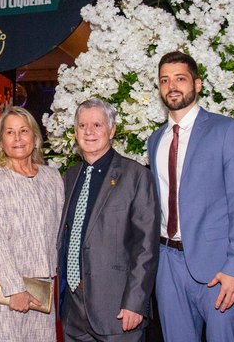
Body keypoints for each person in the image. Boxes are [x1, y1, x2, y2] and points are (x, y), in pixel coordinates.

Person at [146, 51, 234, 342]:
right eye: (165, 80)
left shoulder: (227, 131)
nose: (172, 86)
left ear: (197, 84)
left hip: (218, 268)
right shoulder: (155, 140)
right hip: (167, 265)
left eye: (180, 79)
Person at [58, 98, 160, 341]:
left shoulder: (136, 176)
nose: (89, 132)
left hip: (117, 310)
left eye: (97, 125)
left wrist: (135, 303)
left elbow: (146, 246)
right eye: (82, 126)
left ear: (111, 130)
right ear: (75, 132)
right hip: (73, 310)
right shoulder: (69, 177)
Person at [0, 106, 64, 342]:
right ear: (0, 141)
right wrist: (15, 288)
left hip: (42, 287)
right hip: (2, 288)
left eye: (24, 131)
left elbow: (58, 232)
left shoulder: (52, 178)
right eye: (9, 132)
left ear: (35, 138)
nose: (17, 138)